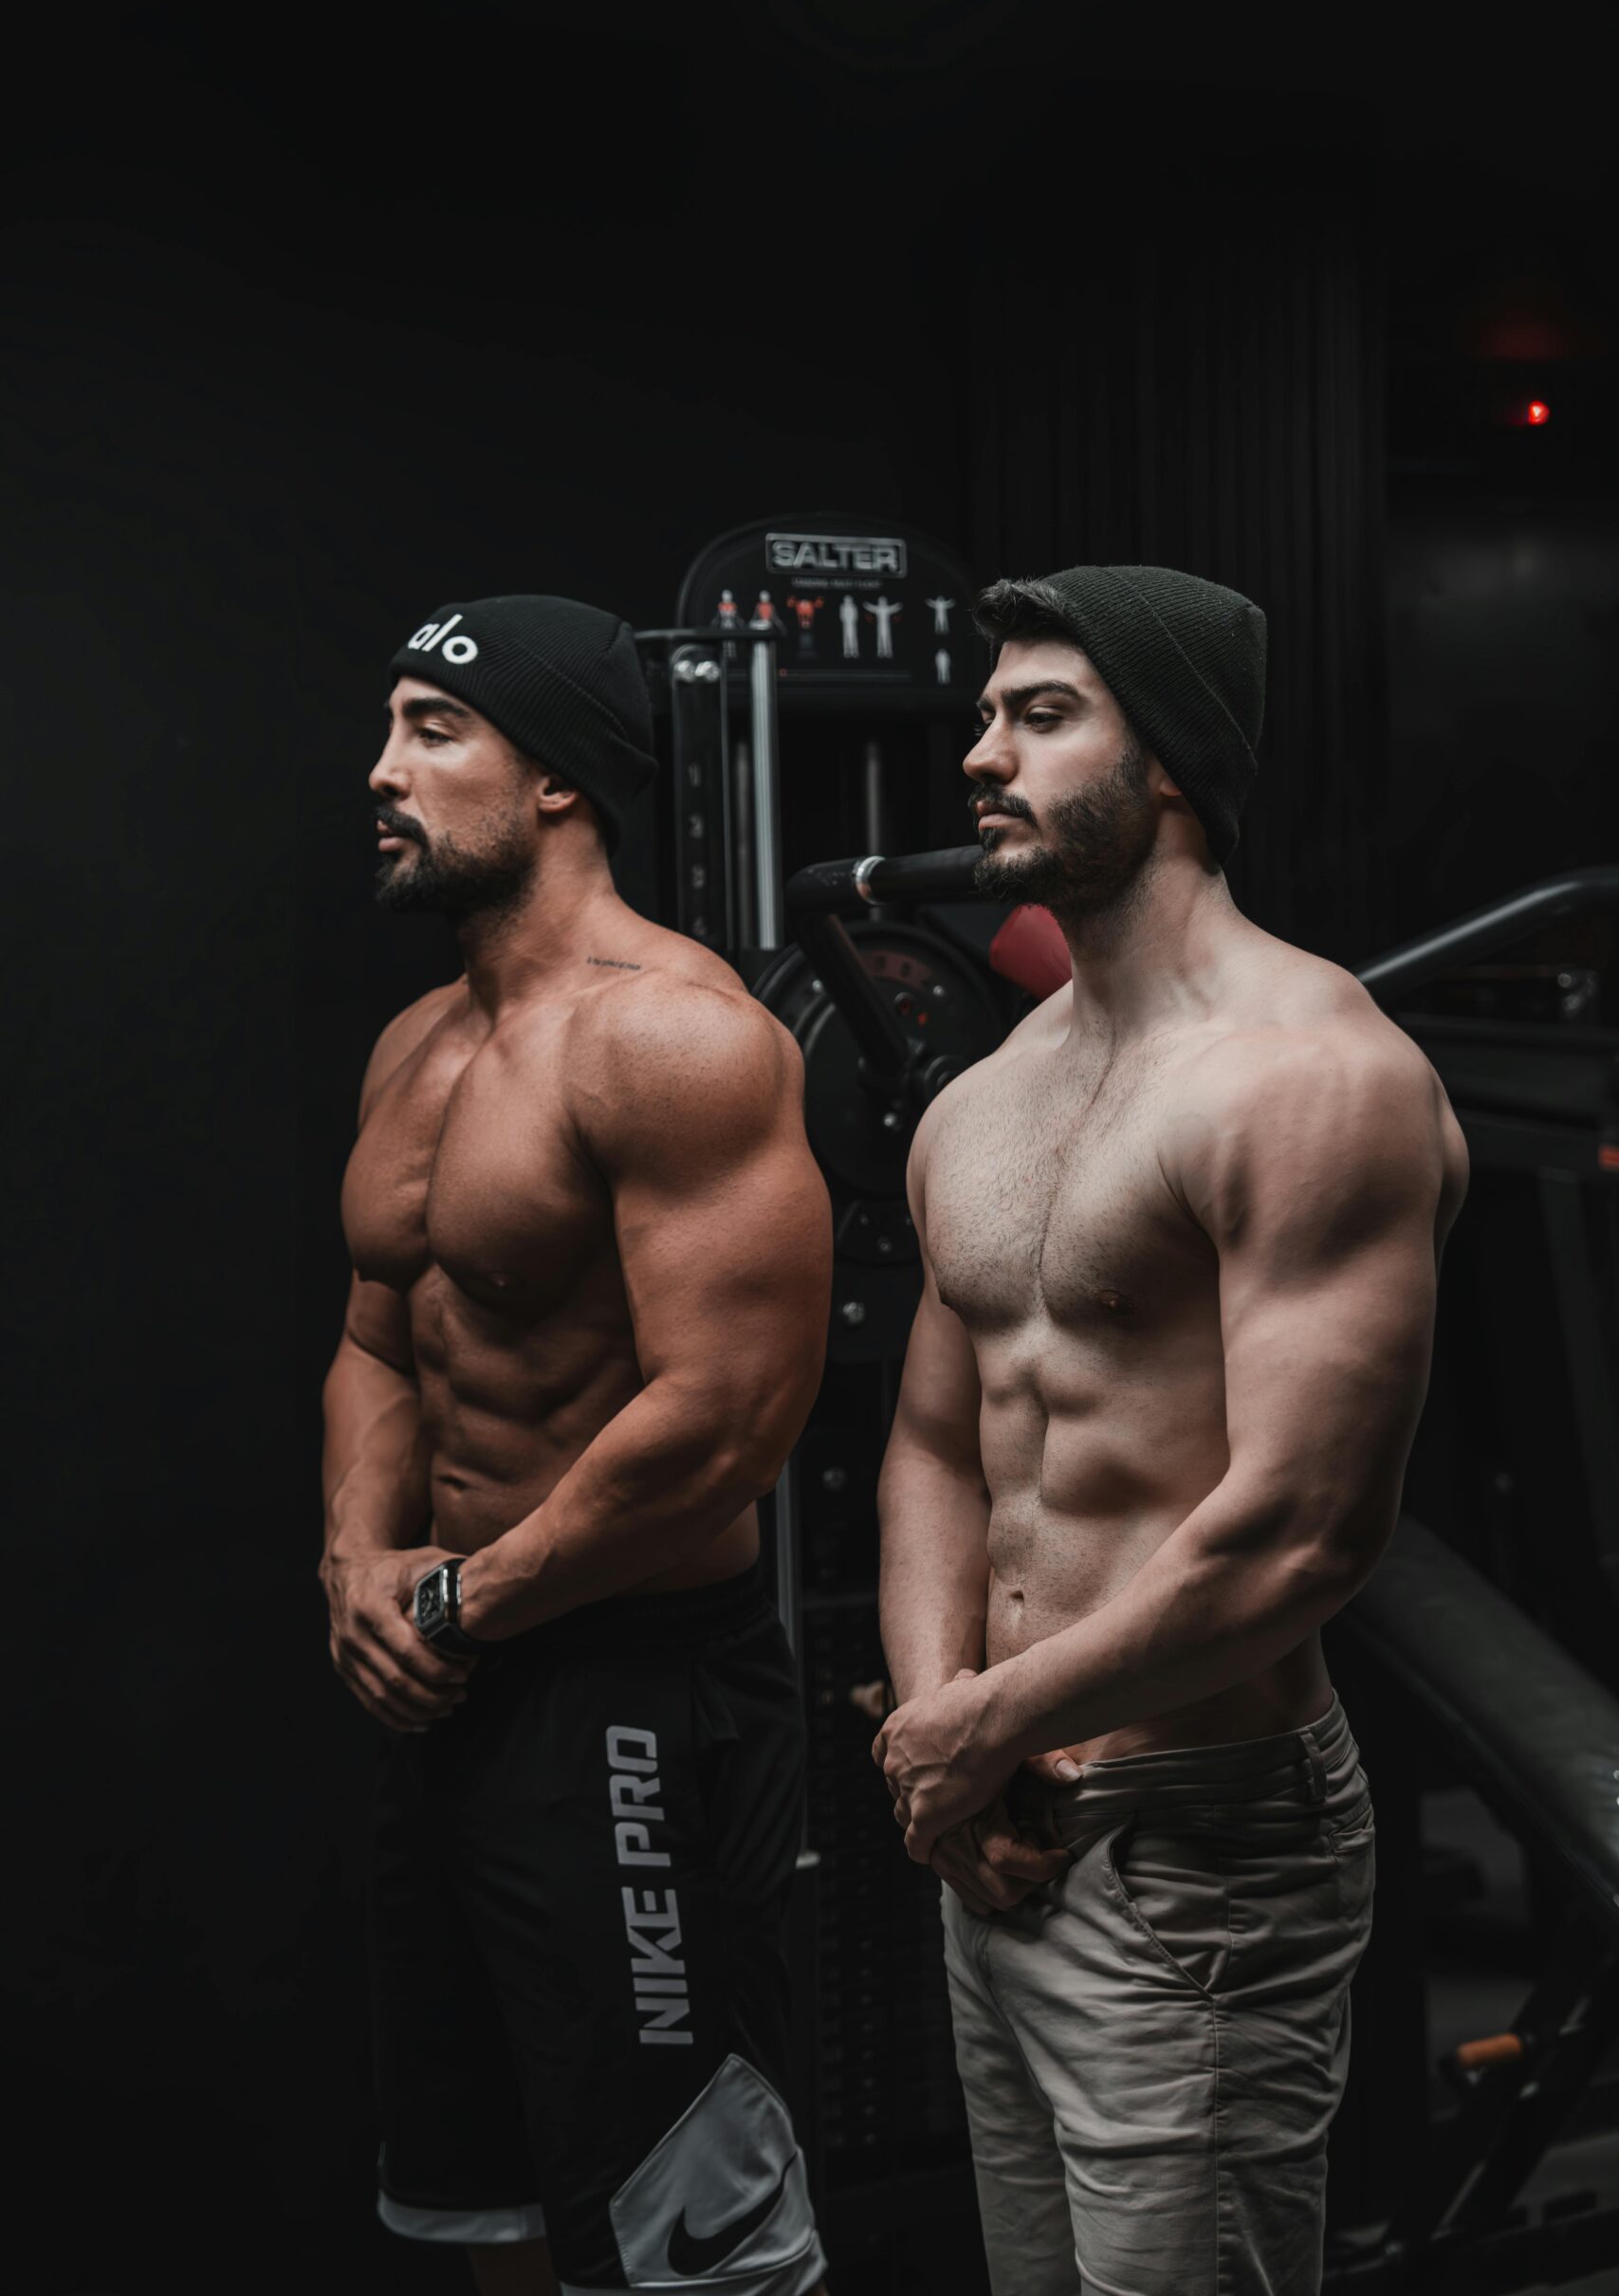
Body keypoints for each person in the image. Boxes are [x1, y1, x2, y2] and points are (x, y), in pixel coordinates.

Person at [873, 564, 1468, 2296]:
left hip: (1198, 1840)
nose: (983, 753)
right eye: (985, 714)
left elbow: (1302, 1530)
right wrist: (941, 1728)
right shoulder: (984, 1099)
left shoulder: (1311, 1078)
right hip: (995, 1812)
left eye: (1044, 716)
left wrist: (983, 1723)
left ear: (1177, 771)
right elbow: (928, 1441)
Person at [320, 594, 832, 2296]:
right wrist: (361, 1564)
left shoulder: (673, 1039)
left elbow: (722, 1423)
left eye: (432, 730)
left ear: (560, 783)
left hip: (630, 1691)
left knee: (689, 2231)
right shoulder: (420, 1046)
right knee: (482, 2199)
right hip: (452, 1677)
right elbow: (376, 1333)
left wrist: (467, 1598)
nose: (380, 770)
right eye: (388, 727)